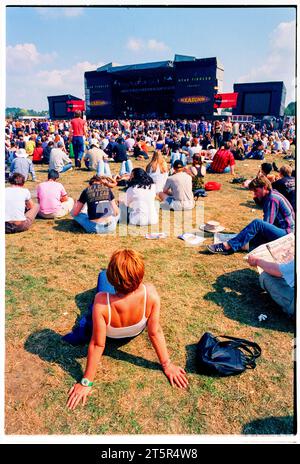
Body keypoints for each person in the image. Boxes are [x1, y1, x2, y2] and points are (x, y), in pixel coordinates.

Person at [66, 248, 189, 410]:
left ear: (113, 279)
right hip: (133, 332)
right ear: (140, 275)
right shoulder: (151, 293)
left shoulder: (101, 301)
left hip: (111, 332)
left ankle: (105, 273)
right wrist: (167, 365)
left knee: (101, 276)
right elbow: (154, 331)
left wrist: (86, 382)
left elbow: (98, 344)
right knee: (104, 280)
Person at [207, 176, 295, 254]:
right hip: (286, 232)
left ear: (264, 187)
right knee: (249, 235)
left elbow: (267, 224)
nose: (255, 194)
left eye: (256, 191)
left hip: (287, 235)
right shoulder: (272, 195)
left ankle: (228, 246)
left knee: (257, 224)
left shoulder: (272, 199)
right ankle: (240, 244)